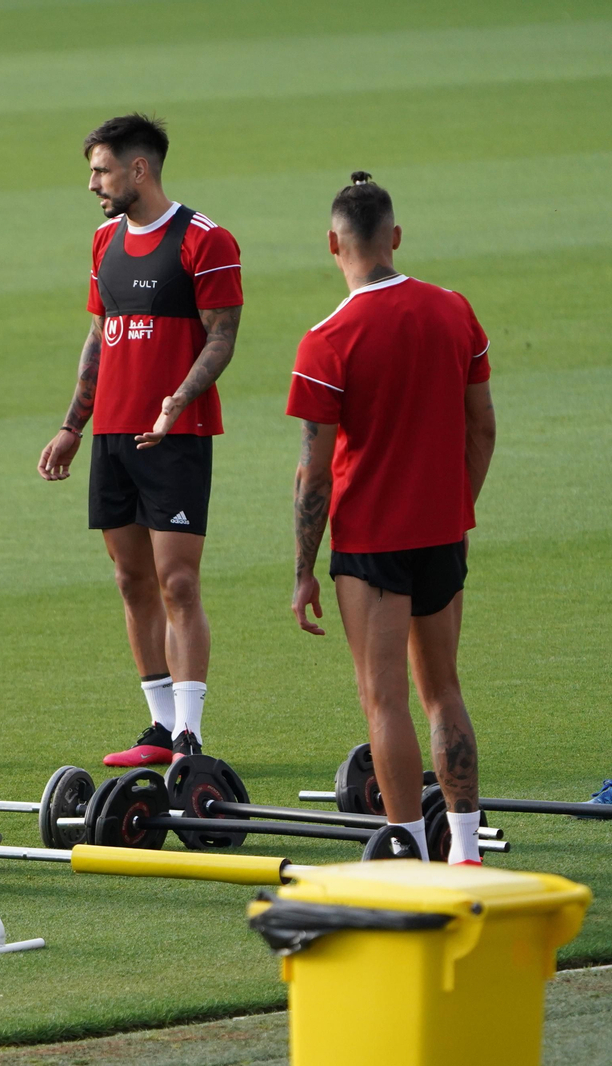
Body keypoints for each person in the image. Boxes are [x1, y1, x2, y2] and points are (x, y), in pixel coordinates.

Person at [288, 172, 496, 865]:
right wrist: (453, 506)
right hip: (443, 536)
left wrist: (302, 571)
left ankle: (406, 852)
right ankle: (465, 851)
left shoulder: (326, 340)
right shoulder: (454, 311)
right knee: (444, 693)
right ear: (395, 237)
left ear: (332, 243)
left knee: (385, 703)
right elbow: (482, 429)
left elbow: (313, 474)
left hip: (370, 546)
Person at [37, 114, 243, 767]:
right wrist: (74, 424)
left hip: (176, 436)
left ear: (138, 169)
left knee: (177, 582)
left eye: (100, 171)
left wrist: (179, 399)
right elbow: (100, 335)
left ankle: (190, 733)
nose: (93, 184)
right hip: (114, 435)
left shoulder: (204, 240)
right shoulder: (103, 242)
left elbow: (221, 334)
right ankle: (159, 728)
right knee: (131, 580)